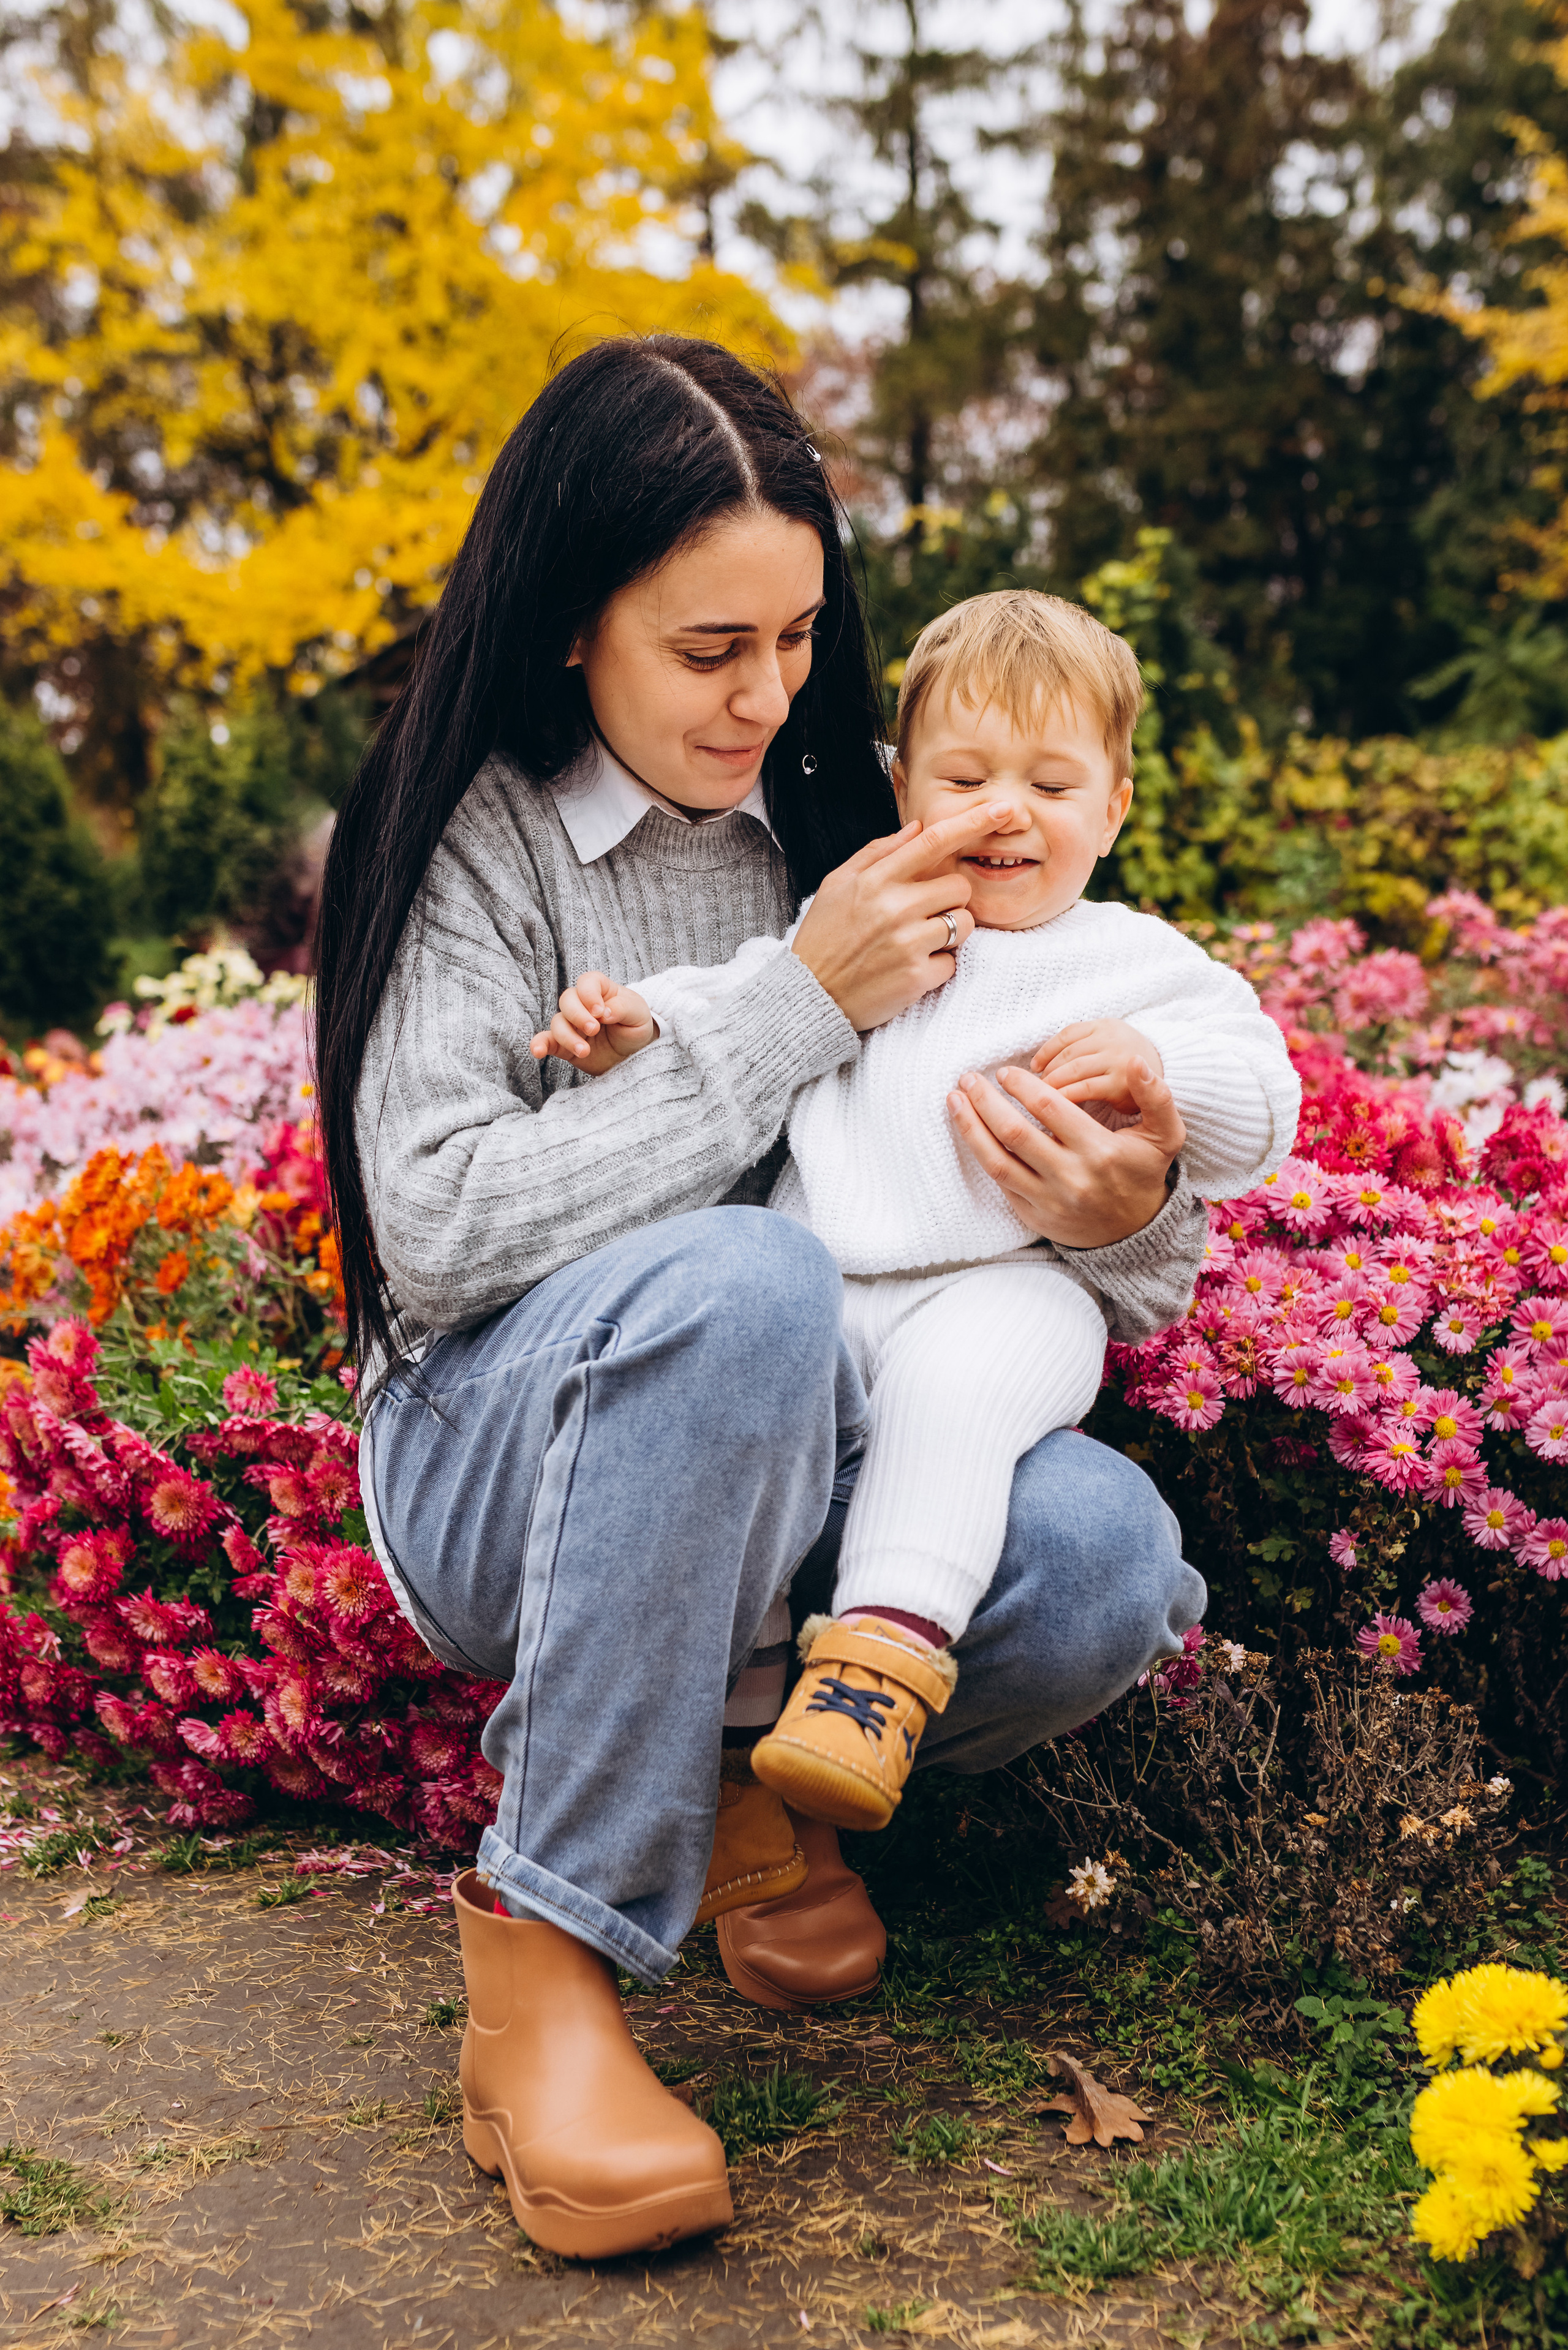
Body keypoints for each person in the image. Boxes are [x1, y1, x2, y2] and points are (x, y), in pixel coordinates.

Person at [314, 334, 1209, 2264]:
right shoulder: (474, 830)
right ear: (574, 620)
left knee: (1103, 1556)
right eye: (711, 647)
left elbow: (1025, 1202)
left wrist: (1130, 1202)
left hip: (808, 1433)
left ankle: (737, 1775)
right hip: (502, 1451)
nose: (769, 693)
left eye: (800, 637)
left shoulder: (859, 810)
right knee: (748, 1276)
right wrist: (800, 1003)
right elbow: (437, 1231)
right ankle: (546, 1963)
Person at [532, 587, 1299, 1835]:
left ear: (1113, 809)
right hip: (824, 1282)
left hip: (1005, 1285)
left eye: (1051, 784)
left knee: (961, 1394)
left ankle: (877, 1671)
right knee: (744, 1384)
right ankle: (735, 1705)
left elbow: (1262, 1098)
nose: (1006, 811)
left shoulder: (1135, 962)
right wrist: (639, 1026)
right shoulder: (873, 914)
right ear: (903, 790)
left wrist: (1157, 1067)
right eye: (965, 777)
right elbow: (748, 992)